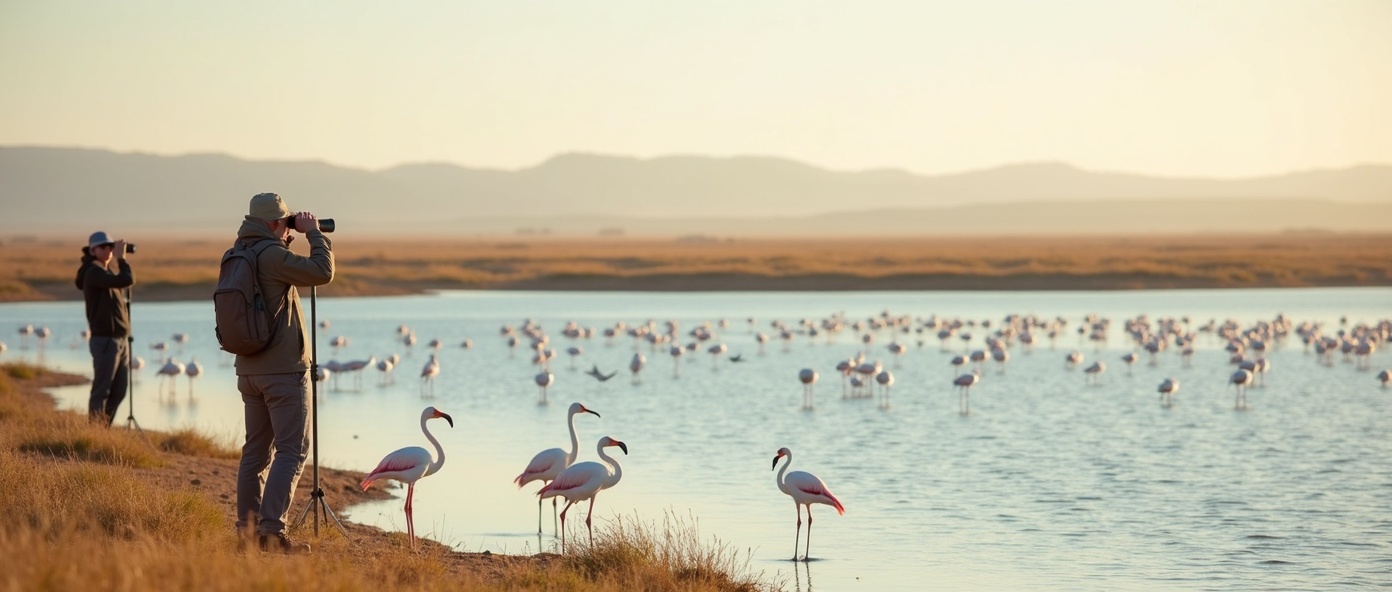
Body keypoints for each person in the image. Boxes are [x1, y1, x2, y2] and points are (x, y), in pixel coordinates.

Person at [233, 192, 333, 554]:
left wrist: (285, 240)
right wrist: (315, 235)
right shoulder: (273, 256)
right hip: (282, 372)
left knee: (255, 453)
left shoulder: (239, 252)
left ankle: (246, 533)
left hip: (248, 370)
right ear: (275, 223)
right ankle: (271, 534)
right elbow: (322, 272)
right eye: (286, 221)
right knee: (292, 450)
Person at [75, 231, 134, 425]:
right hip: (105, 340)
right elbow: (126, 279)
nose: (108, 250)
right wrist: (122, 259)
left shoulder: (105, 272)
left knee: (119, 390)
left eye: (111, 246)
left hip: (119, 339)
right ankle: (95, 433)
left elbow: (122, 281)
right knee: (102, 390)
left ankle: (103, 429)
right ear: (92, 250)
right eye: (103, 247)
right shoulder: (93, 272)